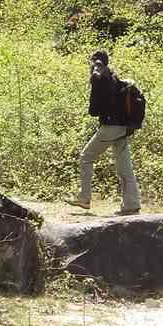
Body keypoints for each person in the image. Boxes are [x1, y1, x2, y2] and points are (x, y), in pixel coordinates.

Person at [65, 50, 141, 216]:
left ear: (93, 62)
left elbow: (93, 110)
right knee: (124, 168)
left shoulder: (98, 77)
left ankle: (84, 198)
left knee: (86, 157)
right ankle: (131, 204)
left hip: (110, 127)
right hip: (124, 128)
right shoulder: (114, 77)